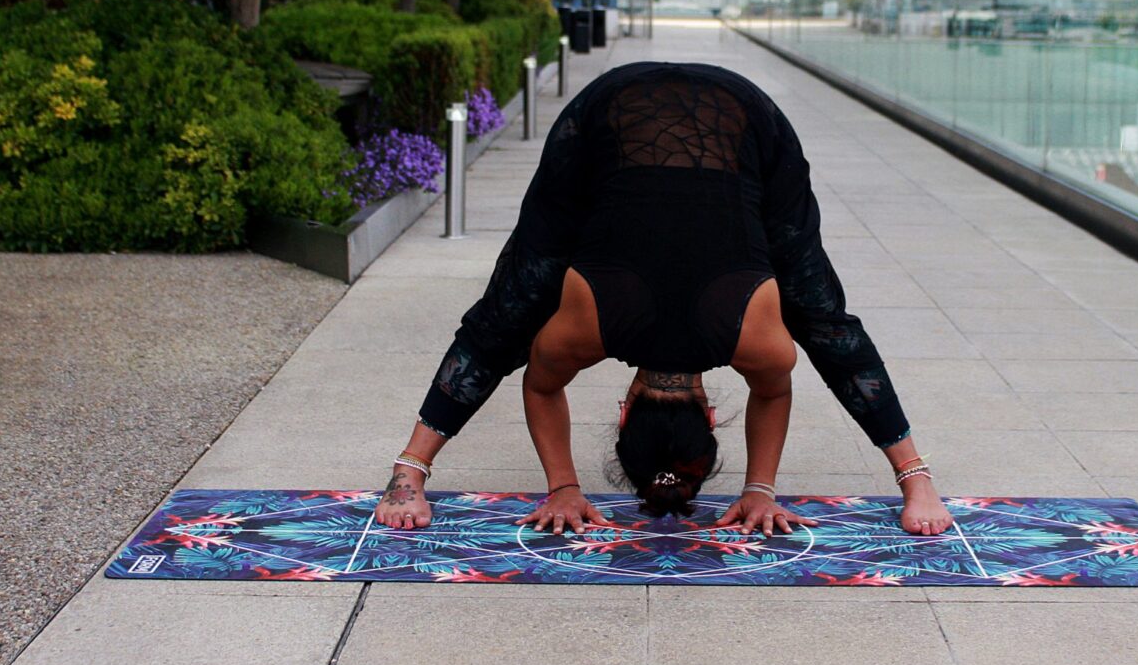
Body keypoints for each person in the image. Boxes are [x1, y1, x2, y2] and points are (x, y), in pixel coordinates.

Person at [371, 60, 952, 537]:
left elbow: (512, 356)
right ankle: (916, 479)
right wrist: (761, 490)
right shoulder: (592, 327)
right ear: (625, 412)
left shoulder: (752, 342)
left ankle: (409, 470)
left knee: (515, 305)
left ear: (708, 414)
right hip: (693, 115)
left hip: (672, 114)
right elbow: (540, 382)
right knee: (818, 316)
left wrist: (565, 487)